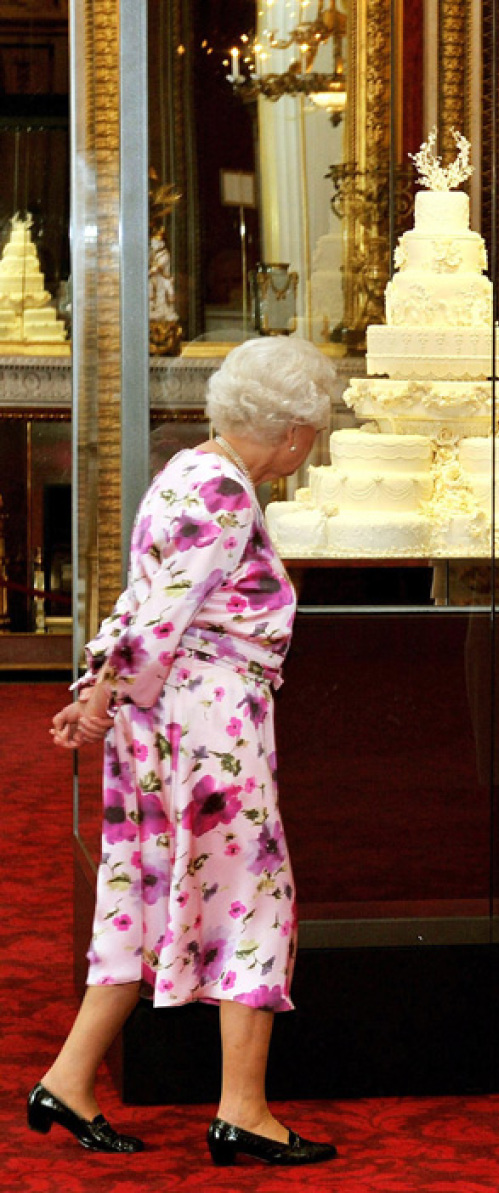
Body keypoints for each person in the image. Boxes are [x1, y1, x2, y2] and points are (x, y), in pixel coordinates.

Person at [28, 336, 339, 1168]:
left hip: (154, 715)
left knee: (141, 890)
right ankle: (243, 1110)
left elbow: (138, 599)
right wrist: (97, 699)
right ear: (295, 433)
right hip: (208, 721)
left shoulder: (184, 471)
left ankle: (68, 1078)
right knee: (253, 896)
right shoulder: (230, 493)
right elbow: (162, 613)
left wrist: (95, 686)